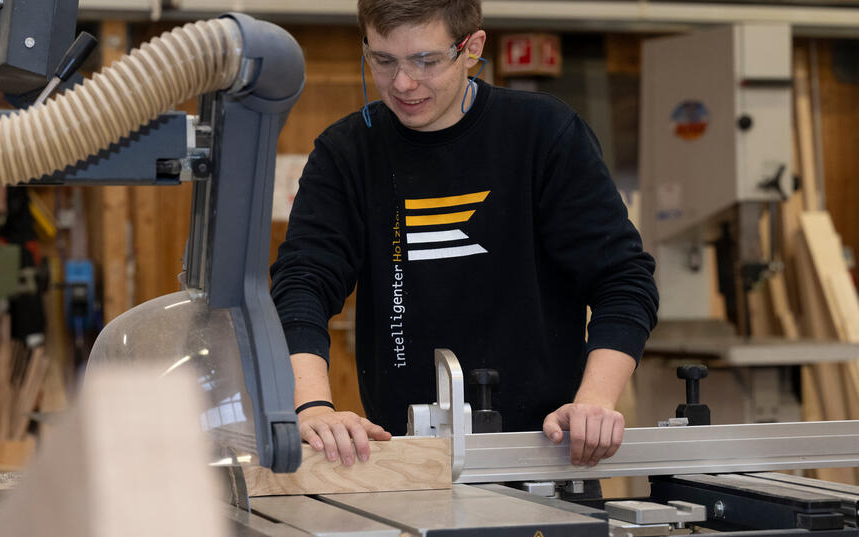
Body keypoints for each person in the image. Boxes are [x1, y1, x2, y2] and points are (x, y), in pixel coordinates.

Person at [270, 0, 658, 470]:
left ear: (472, 48)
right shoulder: (347, 152)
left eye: (425, 61)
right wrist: (312, 407)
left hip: (547, 457)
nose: (402, 83)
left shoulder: (543, 134)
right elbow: (302, 284)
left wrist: (595, 401)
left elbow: (623, 279)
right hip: (405, 464)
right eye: (383, 60)